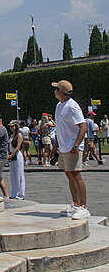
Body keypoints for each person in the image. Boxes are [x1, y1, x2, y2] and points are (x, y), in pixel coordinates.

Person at [52, 80, 89, 219]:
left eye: (56, 89)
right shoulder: (59, 106)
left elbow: (83, 127)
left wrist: (75, 146)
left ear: (60, 91)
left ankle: (84, 206)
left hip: (72, 146)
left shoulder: (72, 107)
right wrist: (56, 146)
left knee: (76, 175)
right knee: (69, 174)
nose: (54, 91)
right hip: (64, 147)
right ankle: (76, 203)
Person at [8, 121, 25, 200]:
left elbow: (18, 147)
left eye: (12, 126)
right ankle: (14, 192)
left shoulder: (19, 135)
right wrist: (8, 154)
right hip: (11, 155)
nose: (11, 128)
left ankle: (20, 193)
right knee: (13, 174)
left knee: (19, 174)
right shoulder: (11, 135)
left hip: (17, 155)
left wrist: (12, 155)